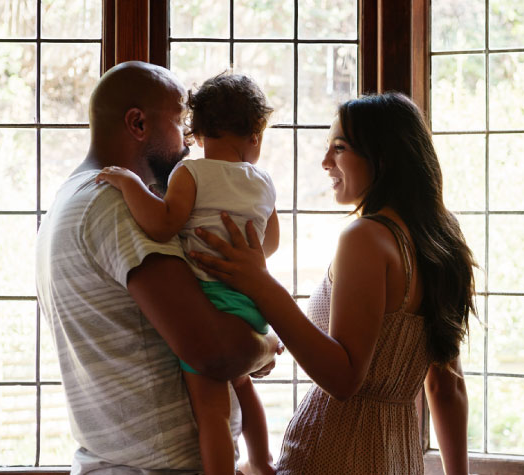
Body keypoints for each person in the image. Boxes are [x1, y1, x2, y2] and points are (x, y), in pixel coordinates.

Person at [188, 92, 474, 475]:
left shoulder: (366, 238)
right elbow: (446, 387)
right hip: (400, 462)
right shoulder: (441, 242)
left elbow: (343, 379)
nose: (325, 163)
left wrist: (260, 285)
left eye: (338, 148)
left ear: (382, 158)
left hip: (331, 456)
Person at [35, 61, 280, 475]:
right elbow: (213, 352)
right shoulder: (115, 204)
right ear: (137, 124)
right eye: (181, 120)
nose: (189, 139)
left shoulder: (70, 197)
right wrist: (265, 346)